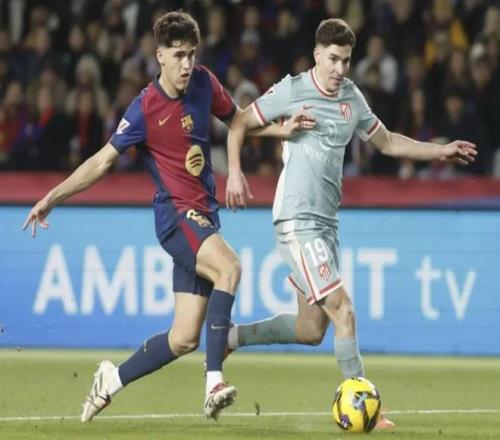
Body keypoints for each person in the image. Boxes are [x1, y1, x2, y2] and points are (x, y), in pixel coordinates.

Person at [22, 11, 310, 423]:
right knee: (229, 268)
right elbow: (102, 161)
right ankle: (213, 382)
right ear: (159, 55)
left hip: (204, 216)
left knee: (184, 337)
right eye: (178, 55)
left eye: (191, 54)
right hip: (176, 216)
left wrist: (281, 130)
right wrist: (53, 196)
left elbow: (238, 121)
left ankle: (111, 379)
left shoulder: (204, 82)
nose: (186, 63)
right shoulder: (145, 107)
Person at [225, 18, 477, 429]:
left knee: (311, 329)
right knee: (344, 311)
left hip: (326, 224)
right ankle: (366, 407)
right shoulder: (292, 89)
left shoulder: (352, 98)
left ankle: (230, 337)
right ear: (317, 56)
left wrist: (440, 151)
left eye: (346, 60)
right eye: (333, 59)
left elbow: (387, 141)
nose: (340, 68)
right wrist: (236, 173)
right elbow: (239, 123)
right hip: (296, 219)